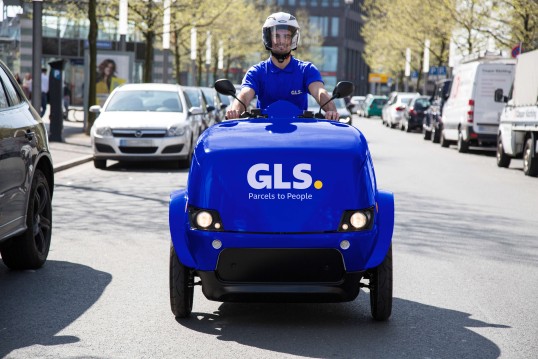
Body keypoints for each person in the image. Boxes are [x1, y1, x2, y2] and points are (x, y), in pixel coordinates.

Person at [226, 12, 338, 121]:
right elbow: (244, 95)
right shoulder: (256, 72)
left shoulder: (306, 70)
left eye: (287, 36)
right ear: (268, 38)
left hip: (299, 132)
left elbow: (320, 92)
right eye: (276, 36)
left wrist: (331, 110)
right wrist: (235, 110)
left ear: (293, 39)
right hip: (263, 133)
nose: (282, 41)